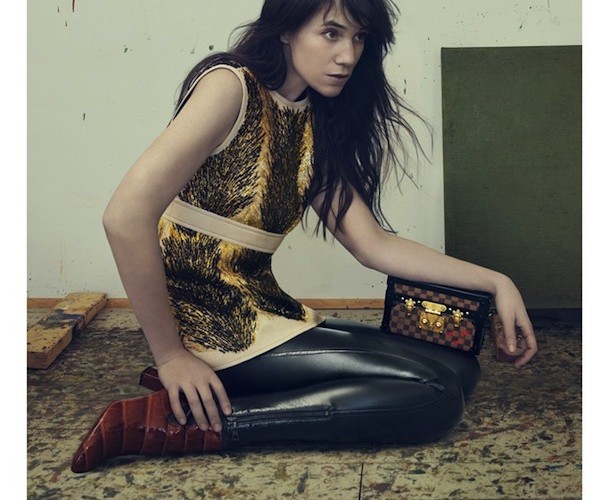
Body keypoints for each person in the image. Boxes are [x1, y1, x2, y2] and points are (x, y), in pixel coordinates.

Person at [71, 0, 537, 473]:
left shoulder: (313, 118)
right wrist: (170, 356)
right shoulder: (230, 87)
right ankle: (189, 424)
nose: (348, 56)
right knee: (435, 395)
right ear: (286, 29)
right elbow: (125, 217)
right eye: (331, 33)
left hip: (266, 311)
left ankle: (232, 393)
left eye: (358, 38)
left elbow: (373, 245)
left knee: (459, 369)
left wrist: (496, 282)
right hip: (207, 322)